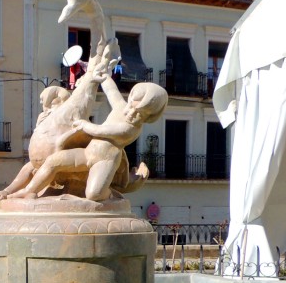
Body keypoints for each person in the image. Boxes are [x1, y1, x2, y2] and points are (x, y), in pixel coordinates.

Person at [10, 76, 168, 203]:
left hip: (105, 160)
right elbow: (112, 91)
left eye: (140, 114)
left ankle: (109, 193)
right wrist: (102, 77)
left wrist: (85, 125)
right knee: (53, 161)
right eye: (132, 107)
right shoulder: (121, 108)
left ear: (150, 117)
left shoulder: (131, 129)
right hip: (88, 152)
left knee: (93, 194)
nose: (132, 114)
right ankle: (29, 191)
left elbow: (102, 131)